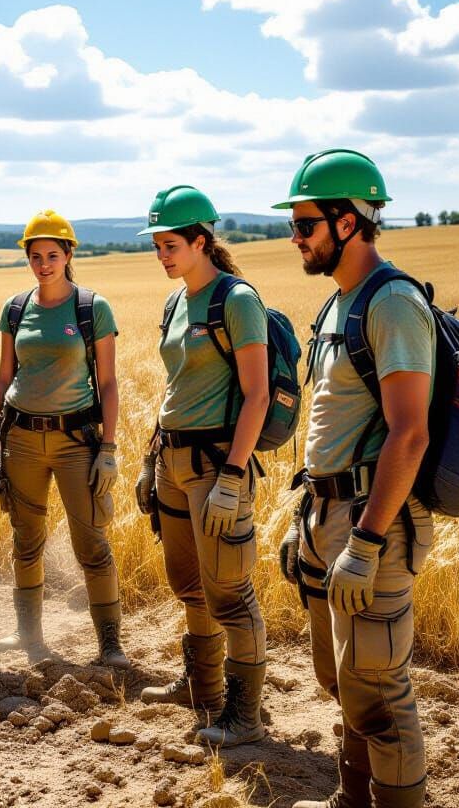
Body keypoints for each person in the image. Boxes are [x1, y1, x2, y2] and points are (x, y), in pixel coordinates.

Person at [274, 150, 435, 808]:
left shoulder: (391, 303)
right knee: (340, 678)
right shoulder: (339, 304)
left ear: (348, 221)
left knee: (379, 691)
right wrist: (302, 517)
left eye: (304, 223)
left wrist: (365, 544)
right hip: (327, 515)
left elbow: (411, 433)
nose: (295, 237)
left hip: (374, 520)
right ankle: (350, 797)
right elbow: (329, 425)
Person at [135, 185, 269, 747]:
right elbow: (176, 387)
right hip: (172, 460)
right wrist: (150, 460)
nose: (162, 255)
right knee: (188, 585)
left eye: (170, 245)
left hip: (217, 465)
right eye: (157, 246)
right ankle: (202, 687)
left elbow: (257, 396)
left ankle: (245, 716)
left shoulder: (236, 301)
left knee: (231, 595)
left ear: (201, 241)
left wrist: (233, 478)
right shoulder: (175, 303)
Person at [0, 210, 129, 667]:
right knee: (26, 540)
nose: (43, 264)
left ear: (68, 256)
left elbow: (108, 383)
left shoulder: (91, 309)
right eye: (35, 256)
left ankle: (110, 644)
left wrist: (108, 448)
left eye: (52, 255)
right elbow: (5, 376)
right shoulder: (16, 309)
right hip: (21, 438)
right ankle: (28, 635)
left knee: (91, 543)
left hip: (75, 442)